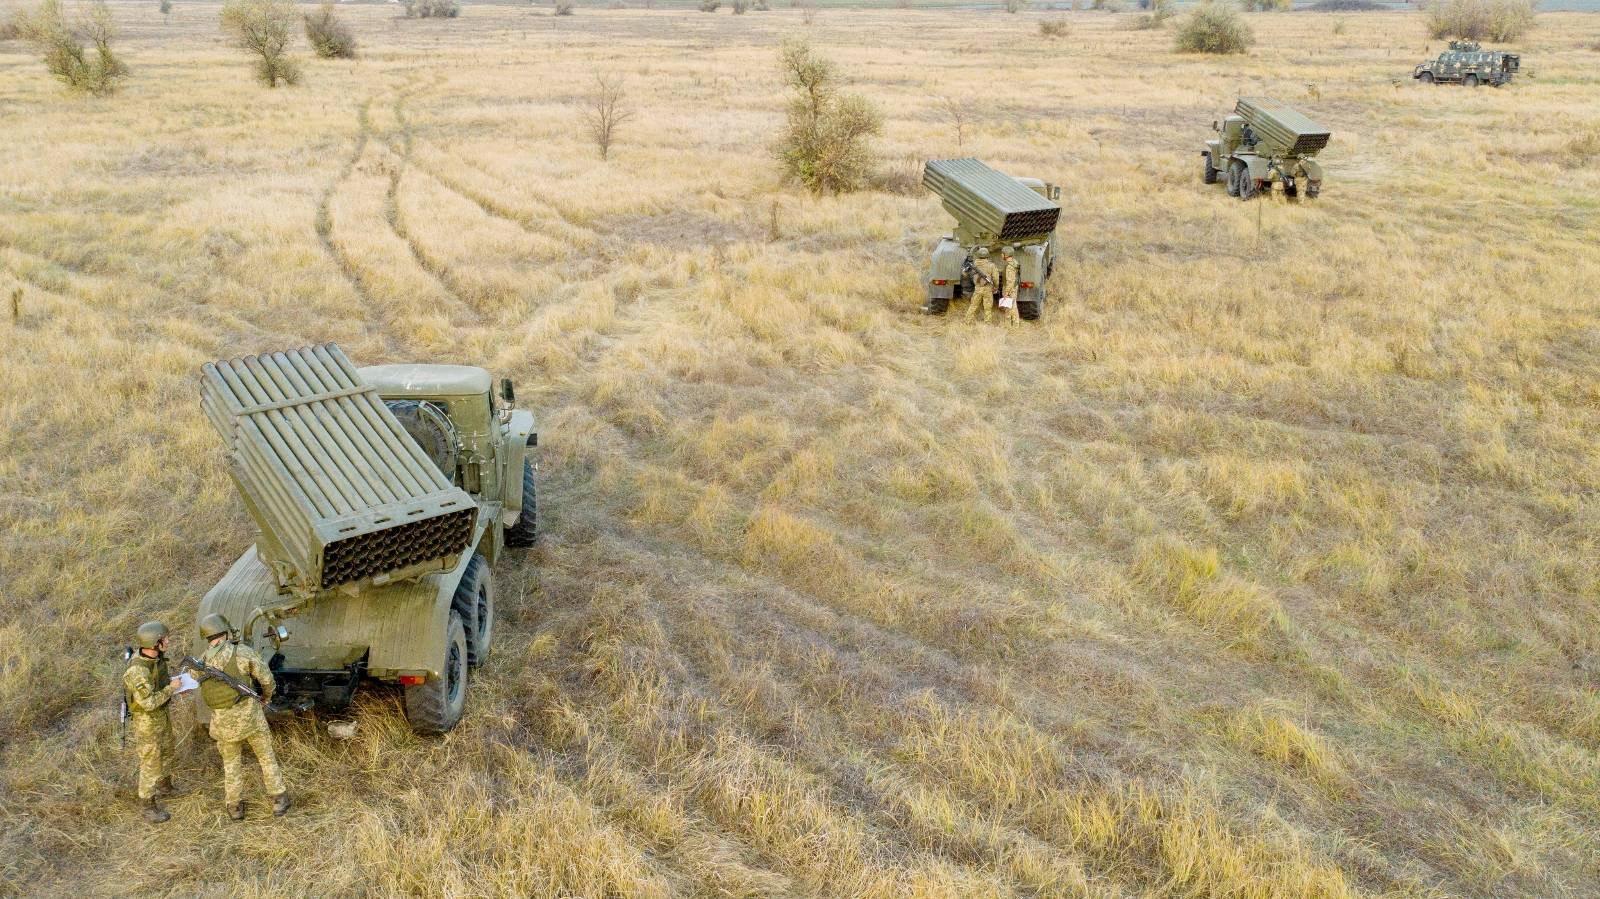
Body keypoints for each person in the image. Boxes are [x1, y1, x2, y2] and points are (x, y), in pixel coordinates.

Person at [197, 613, 289, 820]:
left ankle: (234, 807)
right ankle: (278, 800)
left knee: (231, 764)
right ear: (225, 631)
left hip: (222, 723)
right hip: (250, 719)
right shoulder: (242, 653)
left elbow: (198, 682)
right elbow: (266, 678)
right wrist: (267, 696)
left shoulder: (202, 661)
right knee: (266, 757)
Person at [124, 621, 184, 823]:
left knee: (167, 750)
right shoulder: (137, 671)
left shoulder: (156, 659)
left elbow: (160, 684)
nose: (168, 641)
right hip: (147, 720)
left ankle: (165, 786)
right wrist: (171, 689)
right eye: (164, 639)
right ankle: (147, 805)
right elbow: (148, 702)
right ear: (154, 643)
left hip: (161, 714)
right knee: (150, 762)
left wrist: (175, 684)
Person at [966, 247, 998, 323]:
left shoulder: (974, 264)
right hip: (987, 289)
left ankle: (968, 321)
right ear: (988, 255)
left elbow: (969, 275)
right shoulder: (991, 265)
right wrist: (995, 287)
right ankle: (987, 322)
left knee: (973, 306)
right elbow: (995, 278)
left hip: (977, 288)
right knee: (987, 308)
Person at [999, 246, 1021, 327]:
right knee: (1011, 306)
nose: (1001, 255)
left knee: (1011, 306)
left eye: (1002, 254)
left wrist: (1006, 292)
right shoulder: (1014, 262)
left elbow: (1010, 281)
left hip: (1010, 288)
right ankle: (1009, 324)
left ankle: (1014, 325)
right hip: (1013, 287)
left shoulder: (1009, 267)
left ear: (1006, 255)